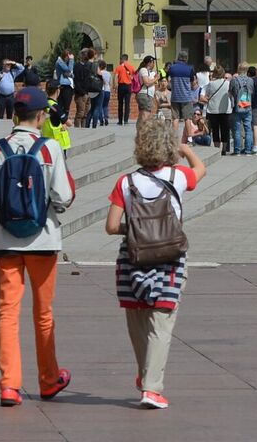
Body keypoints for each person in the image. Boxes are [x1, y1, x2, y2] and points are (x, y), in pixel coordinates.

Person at [0, 87, 75, 406]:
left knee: (8, 312)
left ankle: (9, 384)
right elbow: (64, 197)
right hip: (43, 239)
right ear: (42, 116)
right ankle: (48, 378)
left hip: (6, 241)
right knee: (43, 313)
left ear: (14, 114)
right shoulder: (49, 149)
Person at [103, 114, 205, 410]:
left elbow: (111, 226)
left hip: (133, 258)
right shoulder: (178, 177)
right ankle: (152, 388)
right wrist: (184, 148)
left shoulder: (126, 182)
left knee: (137, 320)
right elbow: (202, 169)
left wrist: (137, 227)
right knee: (162, 321)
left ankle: (144, 374)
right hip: (170, 258)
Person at [204, 62, 236, 156]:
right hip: (226, 109)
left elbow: (207, 95)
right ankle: (224, 149)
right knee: (225, 130)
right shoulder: (228, 83)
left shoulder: (211, 84)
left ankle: (217, 149)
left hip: (213, 110)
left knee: (215, 130)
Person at [166, 51, 199, 138]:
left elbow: (168, 79)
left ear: (178, 57)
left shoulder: (172, 68)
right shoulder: (189, 69)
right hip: (186, 97)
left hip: (175, 96)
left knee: (175, 118)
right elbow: (192, 83)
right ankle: (189, 138)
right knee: (187, 118)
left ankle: (174, 138)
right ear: (186, 58)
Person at [52, 49, 77, 124]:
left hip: (68, 86)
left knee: (66, 106)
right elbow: (69, 70)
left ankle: (63, 121)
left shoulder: (64, 63)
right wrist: (72, 60)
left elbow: (71, 74)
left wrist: (70, 73)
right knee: (63, 105)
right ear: (66, 56)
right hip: (64, 86)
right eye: (68, 57)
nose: (69, 59)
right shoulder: (59, 62)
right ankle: (62, 121)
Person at [114, 53, 136, 127]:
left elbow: (116, 76)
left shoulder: (119, 67)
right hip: (128, 86)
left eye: (120, 59)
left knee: (120, 104)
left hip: (121, 86)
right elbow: (134, 76)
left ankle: (120, 121)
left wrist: (115, 85)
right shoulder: (131, 67)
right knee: (127, 104)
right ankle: (126, 120)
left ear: (122, 59)